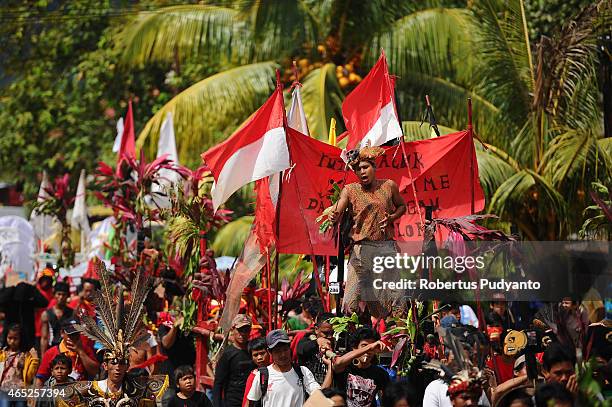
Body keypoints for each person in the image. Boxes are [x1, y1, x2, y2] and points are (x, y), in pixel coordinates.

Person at [55, 259, 168, 406]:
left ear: (127, 366)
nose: (117, 368)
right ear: (105, 365)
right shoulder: (89, 392)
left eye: (122, 363)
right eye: (113, 363)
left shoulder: (139, 392)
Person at [328, 146, 406, 317]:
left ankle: (396, 336)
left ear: (374, 167)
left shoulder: (389, 186)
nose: (361, 172)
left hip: (385, 249)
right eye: (357, 169)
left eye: (365, 167)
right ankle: (349, 338)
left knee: (394, 301)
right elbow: (339, 208)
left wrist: (392, 217)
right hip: (360, 250)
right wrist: (334, 215)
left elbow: (402, 206)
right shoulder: (350, 190)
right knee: (350, 302)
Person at [246, 329, 324, 406]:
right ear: (270, 352)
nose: (283, 354)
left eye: (285, 349)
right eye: (278, 351)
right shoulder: (262, 376)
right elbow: (250, 402)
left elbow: (317, 393)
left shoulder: (303, 372)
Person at [332, 327, 390, 407]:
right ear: (355, 347)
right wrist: (369, 347)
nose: (368, 351)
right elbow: (338, 363)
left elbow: (388, 399)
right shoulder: (345, 367)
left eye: (372, 347)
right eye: (364, 346)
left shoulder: (380, 373)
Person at [35, 319, 99, 386]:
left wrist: (81, 352)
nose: (74, 337)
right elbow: (40, 379)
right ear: (62, 333)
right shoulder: (51, 353)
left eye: (76, 334)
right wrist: (36, 395)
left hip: (81, 392)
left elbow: (95, 372)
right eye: (71, 334)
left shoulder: (86, 349)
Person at [213, 314, 256, 407]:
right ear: (233, 330)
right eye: (240, 330)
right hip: (233, 402)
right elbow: (218, 383)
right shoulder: (228, 354)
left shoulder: (253, 350)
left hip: (252, 400)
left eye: (246, 330)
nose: (243, 334)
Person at [297, 313, 335, 385]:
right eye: (326, 333)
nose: (330, 336)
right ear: (316, 329)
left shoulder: (338, 344)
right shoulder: (306, 341)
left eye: (333, 333)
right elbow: (301, 349)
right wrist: (317, 342)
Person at [0, 324, 39, 391]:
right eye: (10, 338)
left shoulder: (25, 355)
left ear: (21, 339)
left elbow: (29, 377)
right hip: (4, 390)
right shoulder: (2, 354)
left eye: (15, 338)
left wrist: (35, 360)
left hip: (20, 391)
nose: (12, 341)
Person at [40, 281, 74, 356]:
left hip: (67, 349)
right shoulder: (46, 314)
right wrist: (43, 356)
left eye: (63, 295)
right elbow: (44, 338)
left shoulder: (72, 313)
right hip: (52, 347)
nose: (61, 297)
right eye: (59, 294)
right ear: (54, 295)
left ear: (67, 296)